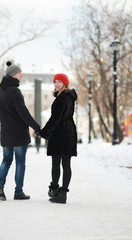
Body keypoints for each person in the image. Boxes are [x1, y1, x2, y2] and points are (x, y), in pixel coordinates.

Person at [0, 61, 41, 201]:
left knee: (6, 160)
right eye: (20, 74)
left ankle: (0, 186)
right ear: (14, 75)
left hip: (6, 133)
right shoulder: (15, 91)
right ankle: (18, 192)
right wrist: (36, 127)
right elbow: (24, 113)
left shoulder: (0, 92)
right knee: (20, 162)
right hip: (19, 134)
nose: (21, 76)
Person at [40, 73, 77, 204]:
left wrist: (43, 132)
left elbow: (55, 119)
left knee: (56, 163)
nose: (56, 84)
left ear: (65, 84)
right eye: (55, 81)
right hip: (69, 131)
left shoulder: (61, 99)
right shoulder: (70, 98)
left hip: (60, 133)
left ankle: (55, 190)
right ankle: (62, 194)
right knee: (66, 164)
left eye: (59, 82)